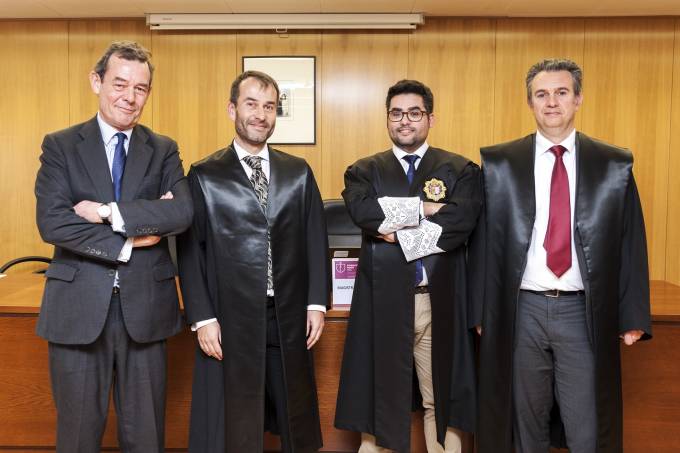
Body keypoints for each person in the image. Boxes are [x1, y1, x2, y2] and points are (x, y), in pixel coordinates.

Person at [470, 58, 652, 453]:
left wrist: (633, 315)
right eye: (542, 94)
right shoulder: (500, 164)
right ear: (530, 102)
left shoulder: (613, 165)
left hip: (582, 312)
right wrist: (483, 311)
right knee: (525, 423)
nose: (551, 102)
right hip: (522, 310)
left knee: (587, 426)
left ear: (578, 99)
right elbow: (482, 240)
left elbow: (631, 241)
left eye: (561, 92)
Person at [34, 41, 193, 452]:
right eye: (120, 84)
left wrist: (108, 212)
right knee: (78, 437)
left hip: (146, 311)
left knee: (146, 438)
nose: (130, 97)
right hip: (78, 309)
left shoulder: (163, 149)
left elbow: (181, 213)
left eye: (140, 88)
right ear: (96, 82)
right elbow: (54, 222)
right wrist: (130, 241)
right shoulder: (60, 146)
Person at [177, 70, 330, 453]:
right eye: (251, 104)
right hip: (229, 318)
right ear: (232, 109)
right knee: (233, 422)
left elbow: (315, 237)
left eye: (269, 106)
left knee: (295, 416)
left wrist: (316, 302)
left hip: (287, 315)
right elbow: (190, 251)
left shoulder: (298, 173)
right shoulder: (205, 175)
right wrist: (202, 318)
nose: (261, 115)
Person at [334, 79, 482, 453]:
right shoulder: (364, 171)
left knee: (442, 399)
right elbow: (365, 213)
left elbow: (460, 223)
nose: (405, 121)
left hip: (438, 301)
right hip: (382, 302)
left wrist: (395, 229)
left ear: (430, 118)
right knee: (381, 399)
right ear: (388, 118)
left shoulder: (460, 169)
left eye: (414, 113)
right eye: (396, 113)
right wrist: (426, 209)